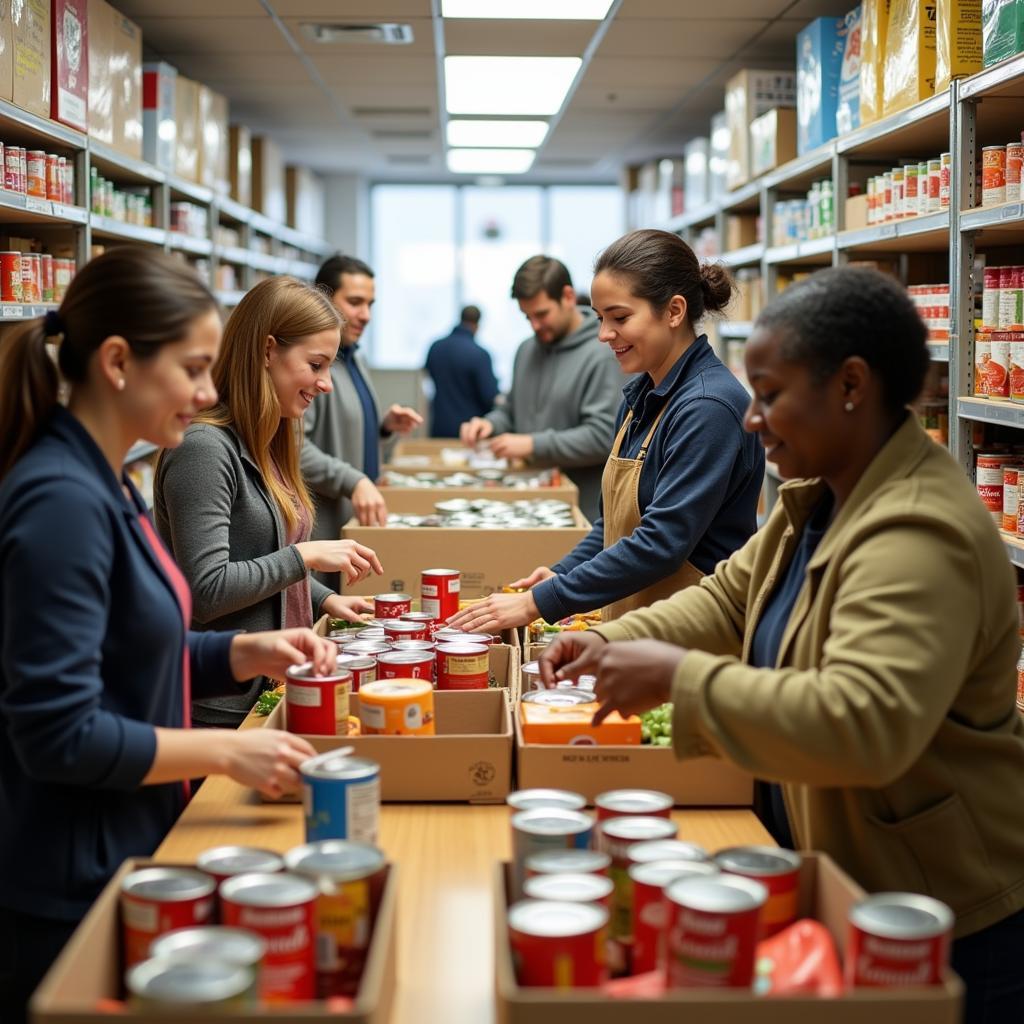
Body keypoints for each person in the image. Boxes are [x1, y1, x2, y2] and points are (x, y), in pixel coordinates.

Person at [538, 267, 1024, 1024]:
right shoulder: (819, 497)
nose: (752, 421)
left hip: (944, 913)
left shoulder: (917, 533)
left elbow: (862, 722)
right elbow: (729, 598)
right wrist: (604, 640)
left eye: (769, 397)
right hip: (852, 871)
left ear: (851, 386)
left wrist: (677, 677)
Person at [0, 248, 337, 1024]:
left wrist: (240, 652)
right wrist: (224, 750)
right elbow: (58, 733)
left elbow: (129, 650)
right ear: (119, 363)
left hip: (120, 846)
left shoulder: (109, 478)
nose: (210, 392)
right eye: (193, 369)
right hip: (62, 882)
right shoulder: (60, 502)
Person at [447, 230, 763, 636]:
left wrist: (536, 603)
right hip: (646, 628)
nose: (603, 334)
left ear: (674, 311)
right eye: (600, 319)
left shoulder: (707, 407)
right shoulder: (643, 396)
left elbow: (659, 543)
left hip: (694, 639)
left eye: (620, 318)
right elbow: (613, 526)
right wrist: (559, 574)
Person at [155, 276, 382, 727]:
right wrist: (303, 558)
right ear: (267, 351)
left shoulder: (270, 436)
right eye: (315, 365)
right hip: (220, 710)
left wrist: (320, 598)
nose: (326, 384)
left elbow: (257, 553)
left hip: (269, 690)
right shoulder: (204, 448)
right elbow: (206, 589)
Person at [459, 255, 621, 521]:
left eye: (542, 314)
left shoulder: (604, 353)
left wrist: (532, 445)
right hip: (527, 505)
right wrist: (491, 425)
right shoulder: (526, 350)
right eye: (527, 317)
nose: (535, 325)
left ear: (568, 297)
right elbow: (511, 409)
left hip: (582, 513)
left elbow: (604, 436)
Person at [301, 255, 422, 586]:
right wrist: (354, 481)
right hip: (323, 531)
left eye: (370, 304)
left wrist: (382, 428)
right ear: (322, 299)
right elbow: (294, 448)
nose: (365, 315)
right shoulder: (312, 367)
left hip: (351, 526)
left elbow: (340, 432)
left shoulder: (354, 357)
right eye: (355, 302)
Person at [425, 305, 499, 438]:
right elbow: (489, 396)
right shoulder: (479, 354)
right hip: (469, 431)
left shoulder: (435, 347)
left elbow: (429, 378)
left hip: (439, 426)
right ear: (477, 325)